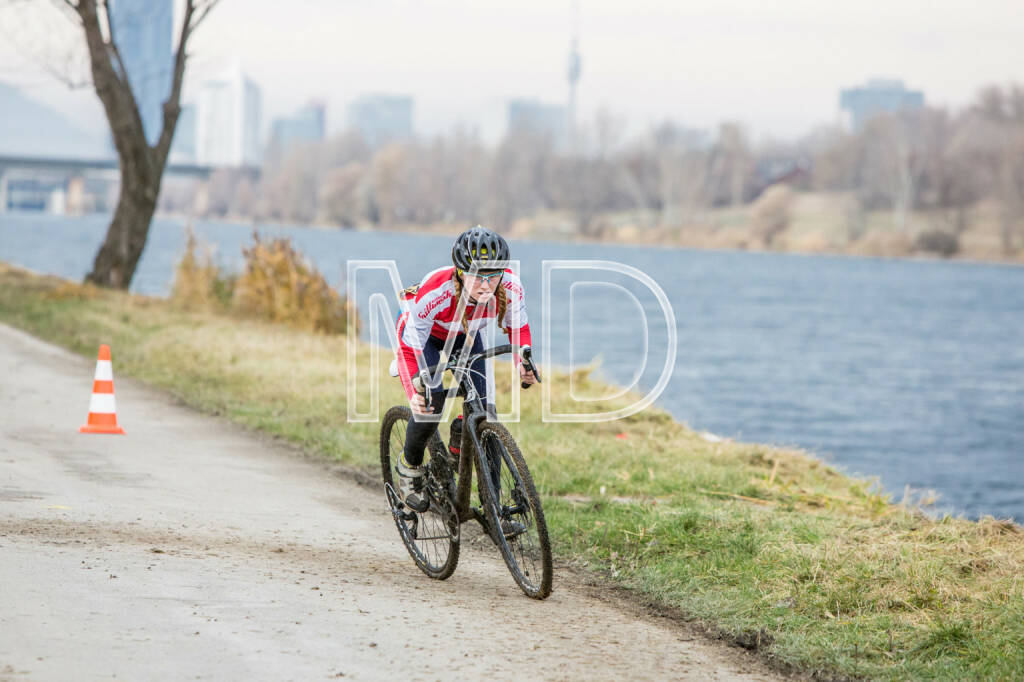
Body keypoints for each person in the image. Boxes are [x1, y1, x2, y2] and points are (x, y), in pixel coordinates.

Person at [394, 225, 537, 513]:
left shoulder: (510, 287)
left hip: (466, 334)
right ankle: (409, 468)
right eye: (478, 277)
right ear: (460, 272)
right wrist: (414, 390)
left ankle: (493, 507)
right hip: (426, 338)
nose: (486, 285)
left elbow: (518, 329)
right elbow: (409, 349)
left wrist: (523, 364)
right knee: (429, 404)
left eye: (493, 276)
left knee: (485, 412)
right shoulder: (437, 291)